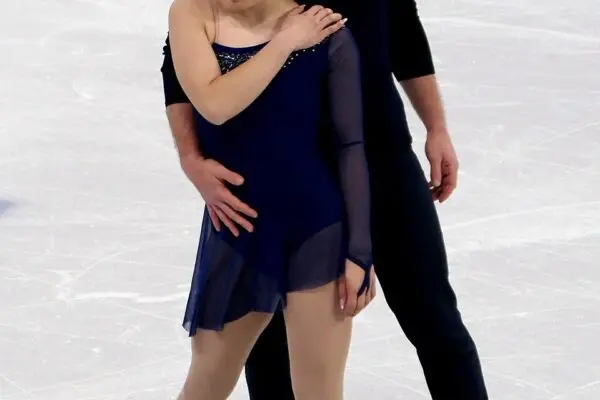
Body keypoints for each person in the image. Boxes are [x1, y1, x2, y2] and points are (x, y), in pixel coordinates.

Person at [162, 0, 489, 399]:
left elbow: (402, 27)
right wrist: (191, 157)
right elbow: (178, 60)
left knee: (431, 312)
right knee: (267, 343)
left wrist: (436, 126)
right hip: (279, 172)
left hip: (378, 156)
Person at [168, 0, 374, 399]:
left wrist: (360, 252)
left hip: (314, 228)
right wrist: (284, 43)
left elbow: (350, 146)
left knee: (320, 392)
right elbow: (215, 106)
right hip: (237, 227)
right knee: (206, 383)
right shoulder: (193, 12)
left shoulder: (328, 35)